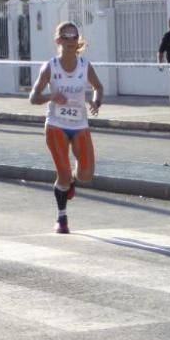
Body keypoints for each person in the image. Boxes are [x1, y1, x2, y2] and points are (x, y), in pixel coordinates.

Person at [29, 21, 104, 234]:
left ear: (78, 41)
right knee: (62, 176)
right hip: (56, 125)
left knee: (86, 175)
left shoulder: (84, 66)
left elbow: (98, 87)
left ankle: (71, 180)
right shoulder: (50, 66)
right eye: (66, 37)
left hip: (80, 124)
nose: (70, 41)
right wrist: (51, 95)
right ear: (58, 41)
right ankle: (61, 218)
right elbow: (33, 97)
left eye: (74, 37)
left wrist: (95, 102)